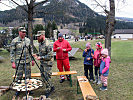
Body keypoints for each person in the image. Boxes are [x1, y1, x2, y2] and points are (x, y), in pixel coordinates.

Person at [10, 27, 35, 95]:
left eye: (25, 32)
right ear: (19, 32)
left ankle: (29, 89)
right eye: (23, 32)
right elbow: (12, 52)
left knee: (28, 76)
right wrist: (13, 62)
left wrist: (32, 60)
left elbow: (31, 51)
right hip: (19, 62)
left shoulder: (28, 40)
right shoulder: (14, 41)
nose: (24, 33)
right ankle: (18, 89)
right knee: (19, 76)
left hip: (27, 61)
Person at [33, 32, 54, 97]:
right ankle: (52, 86)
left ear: (43, 35)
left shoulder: (48, 44)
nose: (37, 38)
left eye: (38, 36)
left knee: (47, 77)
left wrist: (41, 57)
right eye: (37, 37)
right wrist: (37, 54)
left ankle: (48, 90)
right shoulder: (41, 43)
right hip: (42, 63)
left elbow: (50, 55)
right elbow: (42, 52)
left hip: (47, 64)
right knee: (43, 76)